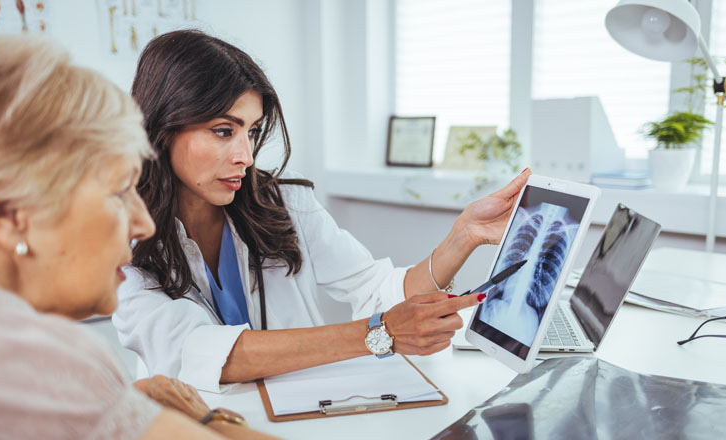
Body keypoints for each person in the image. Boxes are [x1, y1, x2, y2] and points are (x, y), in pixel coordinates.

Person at [113, 29, 531, 393]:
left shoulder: (281, 201)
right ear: (164, 128)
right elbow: (196, 351)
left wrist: (464, 236)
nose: (245, 155)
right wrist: (378, 333)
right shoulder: (120, 236)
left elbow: (375, 289)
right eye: (224, 131)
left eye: (253, 131)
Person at [0, 34, 274, 440]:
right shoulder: (27, 360)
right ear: (6, 214)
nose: (142, 224)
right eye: (119, 192)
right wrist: (207, 419)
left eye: (251, 132)